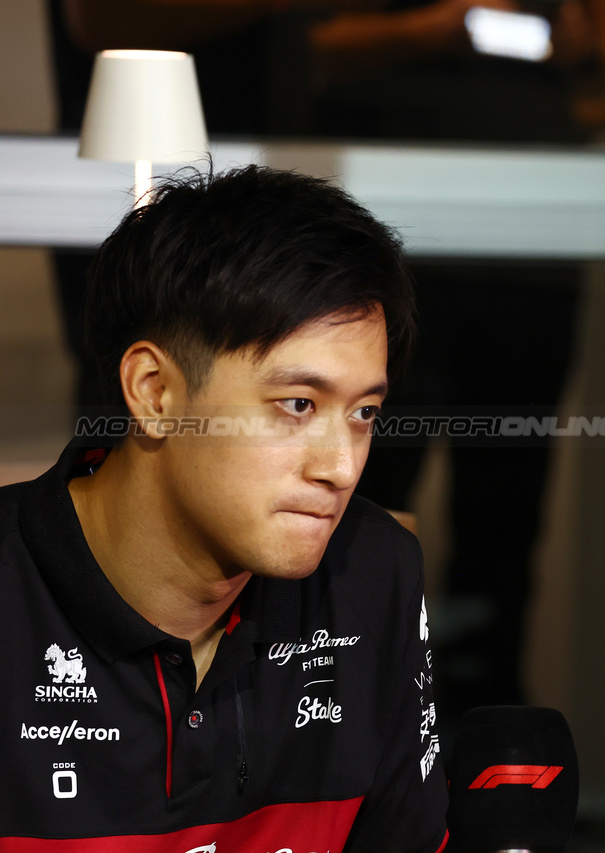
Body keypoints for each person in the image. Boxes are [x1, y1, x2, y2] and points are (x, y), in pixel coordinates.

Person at [0, 165, 448, 850]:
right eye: (297, 405)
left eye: (363, 412)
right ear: (154, 393)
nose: (341, 467)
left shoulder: (372, 571)